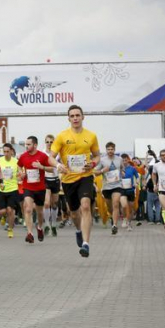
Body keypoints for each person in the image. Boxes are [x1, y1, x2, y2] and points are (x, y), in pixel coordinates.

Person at [49, 105, 100, 257]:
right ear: (69, 119)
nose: (75, 118)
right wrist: (58, 165)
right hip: (68, 179)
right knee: (74, 213)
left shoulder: (91, 136)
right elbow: (50, 157)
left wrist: (93, 163)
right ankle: (78, 230)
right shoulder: (62, 136)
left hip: (85, 176)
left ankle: (86, 244)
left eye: (78, 115)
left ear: (83, 117)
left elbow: (97, 155)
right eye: (72, 116)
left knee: (85, 206)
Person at [17, 136, 54, 243]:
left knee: (39, 212)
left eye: (29, 144)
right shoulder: (23, 156)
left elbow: (52, 169)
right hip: (28, 187)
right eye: (26, 144)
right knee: (27, 208)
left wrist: (42, 167)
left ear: (35, 145)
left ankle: (39, 228)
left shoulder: (42, 156)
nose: (26, 146)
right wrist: (21, 173)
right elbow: (19, 166)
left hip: (40, 188)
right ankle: (30, 233)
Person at [93, 142, 124, 234]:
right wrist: (102, 170)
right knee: (110, 207)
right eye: (108, 149)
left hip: (117, 185)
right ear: (106, 150)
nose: (110, 151)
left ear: (114, 150)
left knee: (115, 204)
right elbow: (95, 172)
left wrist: (122, 173)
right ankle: (111, 217)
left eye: (112, 149)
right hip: (106, 187)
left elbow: (122, 168)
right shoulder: (102, 160)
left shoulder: (119, 159)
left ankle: (114, 225)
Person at [0, 144, 20, 239]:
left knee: (10, 210)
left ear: (11, 151)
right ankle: (3, 217)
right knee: (2, 211)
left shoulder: (16, 162)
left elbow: (20, 172)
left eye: (7, 151)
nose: (5, 153)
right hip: (1, 189)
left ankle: (10, 229)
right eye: (4, 151)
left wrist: (20, 175)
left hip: (13, 188)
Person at [42, 134, 62, 237]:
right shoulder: (42, 153)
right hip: (45, 180)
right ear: (45, 142)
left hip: (55, 180)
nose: (49, 144)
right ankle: (46, 225)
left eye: (51, 142)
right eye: (47, 142)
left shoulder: (57, 154)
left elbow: (63, 165)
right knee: (46, 203)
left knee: (54, 204)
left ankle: (54, 225)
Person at [120, 154, 139, 231]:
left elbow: (137, 177)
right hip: (122, 190)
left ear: (128, 160)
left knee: (131, 208)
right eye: (123, 160)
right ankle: (124, 218)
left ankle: (129, 222)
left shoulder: (132, 168)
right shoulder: (119, 169)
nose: (124, 161)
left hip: (131, 189)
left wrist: (137, 182)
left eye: (125, 160)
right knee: (124, 205)